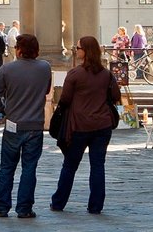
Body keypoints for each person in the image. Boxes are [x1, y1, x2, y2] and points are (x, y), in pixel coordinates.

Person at [50, 35, 121, 215]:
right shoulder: (106, 74)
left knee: (70, 166)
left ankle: (58, 202)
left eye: (78, 48)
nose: (76, 50)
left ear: (85, 51)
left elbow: (64, 99)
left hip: (78, 125)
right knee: (97, 166)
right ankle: (96, 206)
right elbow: (115, 96)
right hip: (102, 125)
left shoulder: (75, 74)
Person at [0, 33, 53, 219]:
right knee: (29, 168)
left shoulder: (8, 69)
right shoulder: (45, 67)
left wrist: (3, 109)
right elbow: (47, 90)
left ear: (19, 49)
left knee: (7, 167)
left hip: (13, 123)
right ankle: (24, 208)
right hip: (35, 124)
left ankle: (2, 207)